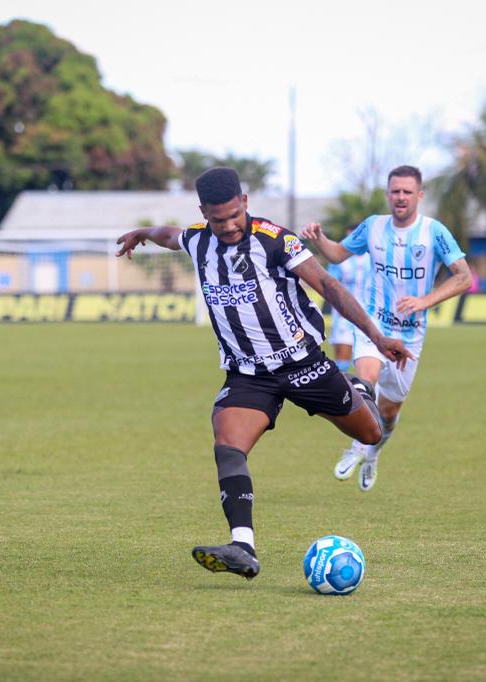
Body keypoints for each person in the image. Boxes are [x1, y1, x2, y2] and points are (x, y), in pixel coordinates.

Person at [115, 167, 411, 580]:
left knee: (370, 434)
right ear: (205, 213)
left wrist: (377, 339)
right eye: (219, 220)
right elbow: (171, 234)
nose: (230, 225)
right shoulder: (199, 238)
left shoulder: (275, 240)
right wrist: (144, 232)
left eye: (235, 215)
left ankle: (358, 384)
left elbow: (328, 285)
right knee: (227, 443)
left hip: (303, 363)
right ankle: (243, 546)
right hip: (248, 375)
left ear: (245, 203)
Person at [301, 165, 472, 492]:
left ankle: (374, 452)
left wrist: (425, 301)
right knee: (365, 377)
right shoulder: (373, 227)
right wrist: (320, 238)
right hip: (373, 323)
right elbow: (337, 255)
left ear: (419, 195)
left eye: (408, 192)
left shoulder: (434, 232)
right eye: (395, 191)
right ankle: (356, 446)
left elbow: (464, 277)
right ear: (388, 194)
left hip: (410, 335)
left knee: (389, 412)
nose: (401, 197)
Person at [326, 253, 371, 371]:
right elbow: (328, 285)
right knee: (342, 360)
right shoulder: (339, 258)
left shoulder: (374, 256)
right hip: (344, 316)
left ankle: (364, 389)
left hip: (370, 316)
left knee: (368, 361)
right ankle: (340, 388)